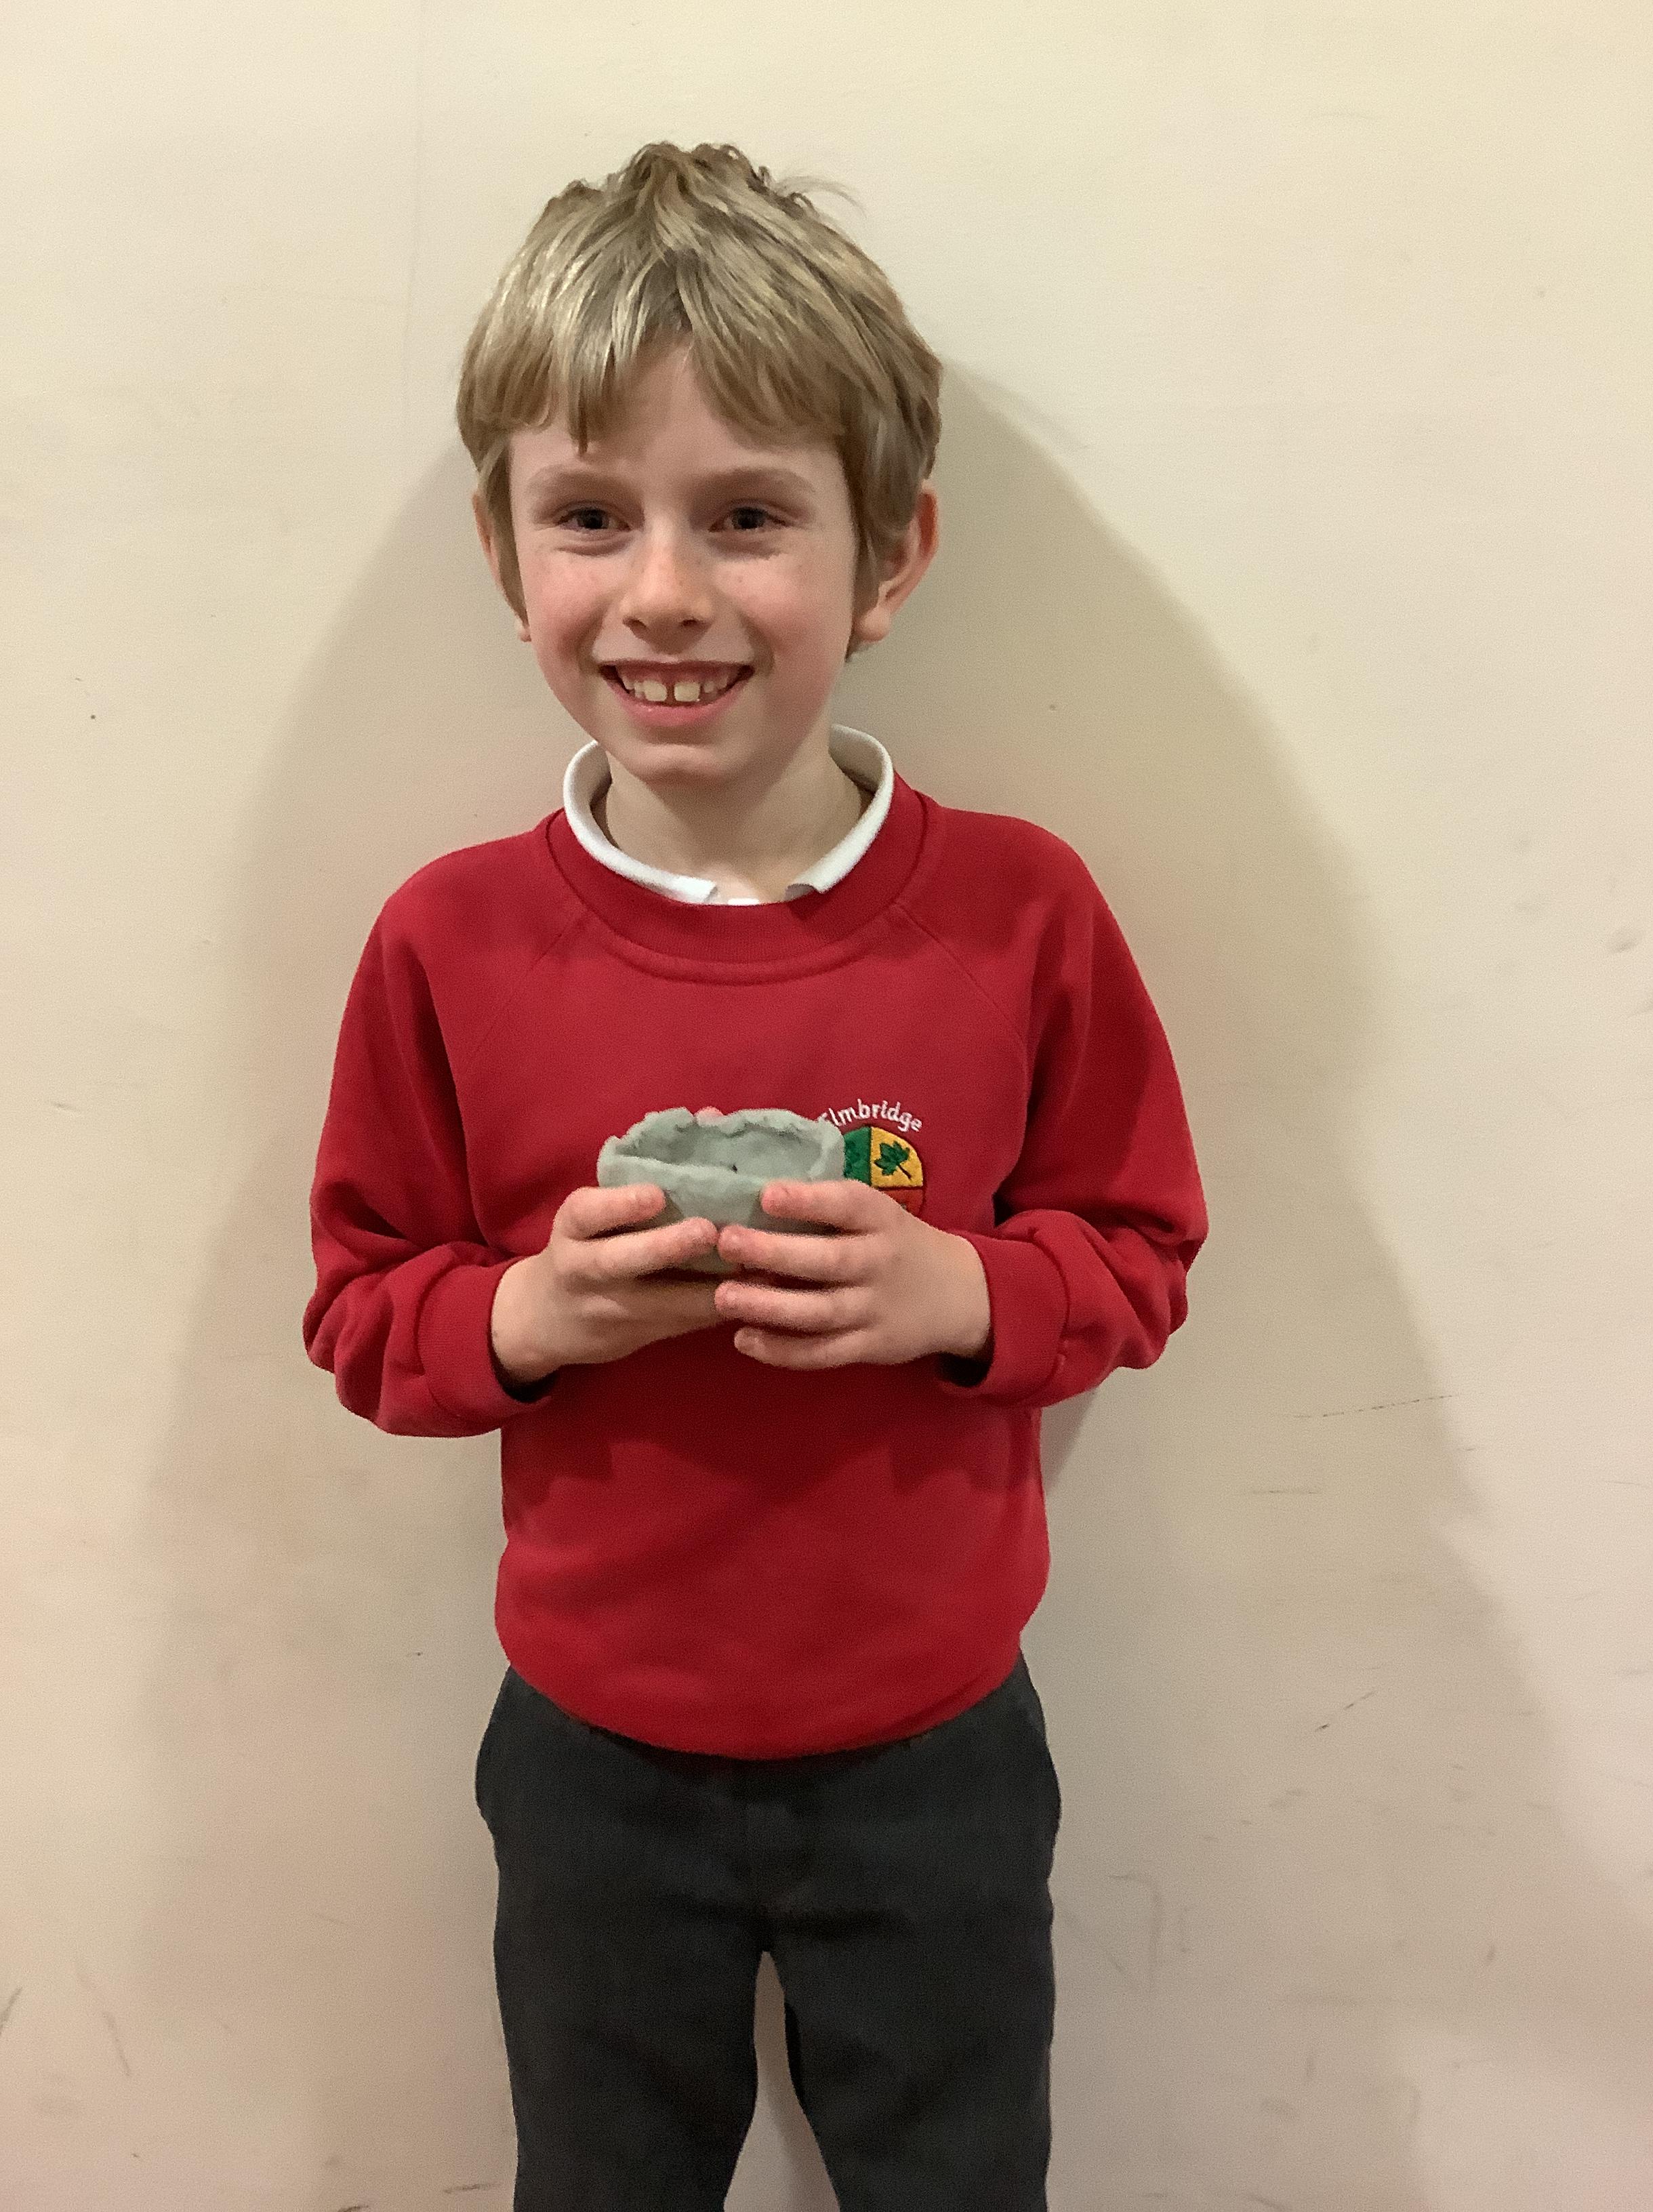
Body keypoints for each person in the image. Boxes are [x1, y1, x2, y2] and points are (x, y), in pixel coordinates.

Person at [303, 140, 1208, 2212]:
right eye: (590, 515)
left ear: (889, 555)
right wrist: (528, 1316)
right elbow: (361, 1308)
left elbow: (1141, 1247)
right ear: (503, 548)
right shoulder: (447, 942)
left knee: (960, 2179)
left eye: (747, 515)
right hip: (592, 1757)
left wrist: (964, 1297)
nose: (664, 592)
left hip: (938, 1750)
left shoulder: (1022, 915)